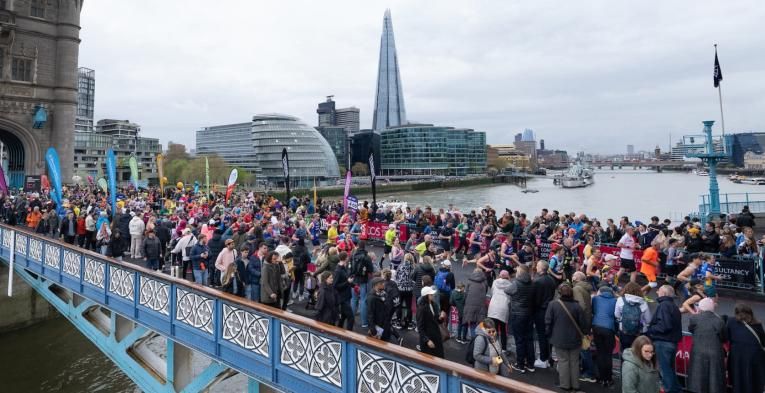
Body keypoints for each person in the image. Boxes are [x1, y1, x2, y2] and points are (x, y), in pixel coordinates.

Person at [545, 283, 586, 392]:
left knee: (563, 361)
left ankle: (565, 385)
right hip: (575, 338)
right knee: (574, 362)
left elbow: (548, 321)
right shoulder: (577, 306)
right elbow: (583, 324)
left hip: (559, 338)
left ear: (559, 293)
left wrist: (548, 334)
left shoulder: (553, 304)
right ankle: (575, 385)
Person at [646, 285, 682, 393]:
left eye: (659, 291)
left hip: (663, 342)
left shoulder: (664, 306)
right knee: (669, 370)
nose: (657, 292)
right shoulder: (673, 306)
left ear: (664, 293)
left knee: (665, 370)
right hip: (671, 342)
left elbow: (664, 326)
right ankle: (676, 390)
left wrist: (650, 329)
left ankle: (670, 390)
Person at [687, 298, 727, 393]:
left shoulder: (694, 318)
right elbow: (724, 337)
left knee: (698, 380)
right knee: (715, 380)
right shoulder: (719, 321)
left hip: (698, 352)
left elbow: (691, 329)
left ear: (700, 308)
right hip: (715, 353)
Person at [727, 303, 765, 393]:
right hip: (755, 358)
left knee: (738, 380)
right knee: (754, 380)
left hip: (737, 357)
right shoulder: (757, 325)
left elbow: (727, 336)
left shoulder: (731, 322)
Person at [506, 264, 535, 373]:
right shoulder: (532, 283)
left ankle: (520, 364)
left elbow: (507, 291)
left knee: (520, 340)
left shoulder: (516, 283)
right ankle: (530, 364)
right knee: (529, 339)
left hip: (518, 314)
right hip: (529, 313)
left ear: (520, 272)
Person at [591, 284, 618, 387]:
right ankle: (608, 378)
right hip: (609, 328)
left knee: (600, 352)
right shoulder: (615, 300)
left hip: (596, 326)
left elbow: (593, 311)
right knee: (608, 354)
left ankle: (601, 378)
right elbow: (616, 315)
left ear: (600, 292)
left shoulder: (596, 299)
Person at [571, 271, 595, 383]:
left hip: (581, 323)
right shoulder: (584, 287)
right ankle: (586, 370)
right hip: (587, 320)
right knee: (584, 347)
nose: (572, 276)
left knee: (584, 348)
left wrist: (575, 319)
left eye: (574, 275)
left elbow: (581, 306)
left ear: (578, 278)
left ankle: (589, 373)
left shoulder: (577, 289)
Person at [532, 260, 557, 369]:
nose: (536, 267)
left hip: (540, 311)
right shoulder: (551, 280)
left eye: (537, 266)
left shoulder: (538, 281)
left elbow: (536, 299)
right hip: (549, 310)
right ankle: (547, 357)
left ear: (541, 268)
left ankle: (543, 359)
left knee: (541, 335)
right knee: (548, 336)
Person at [615, 282, 652, 352]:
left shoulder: (620, 300)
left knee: (625, 351)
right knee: (637, 352)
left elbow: (617, 315)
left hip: (624, 331)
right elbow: (648, 320)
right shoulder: (643, 303)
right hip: (638, 333)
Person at [487, 269, 511, 354]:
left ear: (500, 275)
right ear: (508, 276)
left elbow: (492, 292)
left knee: (494, 329)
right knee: (503, 329)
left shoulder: (495, 282)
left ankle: (495, 347)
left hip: (493, 307)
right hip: (503, 308)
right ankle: (503, 348)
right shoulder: (510, 285)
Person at [416, 286, 444, 358]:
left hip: (436, 336)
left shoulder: (434, 305)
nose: (433, 295)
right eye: (431, 295)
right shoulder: (421, 309)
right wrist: (427, 340)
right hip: (428, 339)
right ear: (426, 296)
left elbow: (437, 321)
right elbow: (420, 327)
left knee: (439, 358)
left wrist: (441, 318)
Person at [463, 267, 489, 338]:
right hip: (481, 305)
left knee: (472, 322)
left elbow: (466, 293)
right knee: (480, 322)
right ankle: (479, 337)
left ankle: (473, 339)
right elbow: (485, 291)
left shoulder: (469, 281)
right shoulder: (484, 281)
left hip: (470, 305)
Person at [394, 253, 416, 330]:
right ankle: (409, 323)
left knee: (399, 305)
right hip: (409, 290)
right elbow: (414, 279)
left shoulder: (400, 266)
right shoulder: (413, 267)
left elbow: (396, 276)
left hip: (400, 288)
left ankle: (398, 322)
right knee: (409, 306)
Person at [333, 252, 354, 330]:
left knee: (344, 316)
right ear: (345, 258)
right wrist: (347, 282)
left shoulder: (343, 268)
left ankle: (339, 331)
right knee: (351, 318)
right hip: (342, 298)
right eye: (347, 257)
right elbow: (335, 286)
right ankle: (348, 337)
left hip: (347, 296)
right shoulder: (338, 270)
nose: (348, 258)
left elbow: (346, 279)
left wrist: (353, 284)